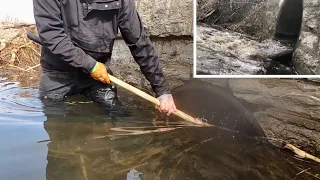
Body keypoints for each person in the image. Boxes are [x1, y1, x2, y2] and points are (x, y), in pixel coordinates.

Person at [33, 0, 177, 116]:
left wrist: (162, 90)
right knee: (58, 130)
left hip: (99, 76)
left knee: (119, 117)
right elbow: (52, 36)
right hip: (58, 74)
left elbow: (140, 43)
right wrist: (90, 65)